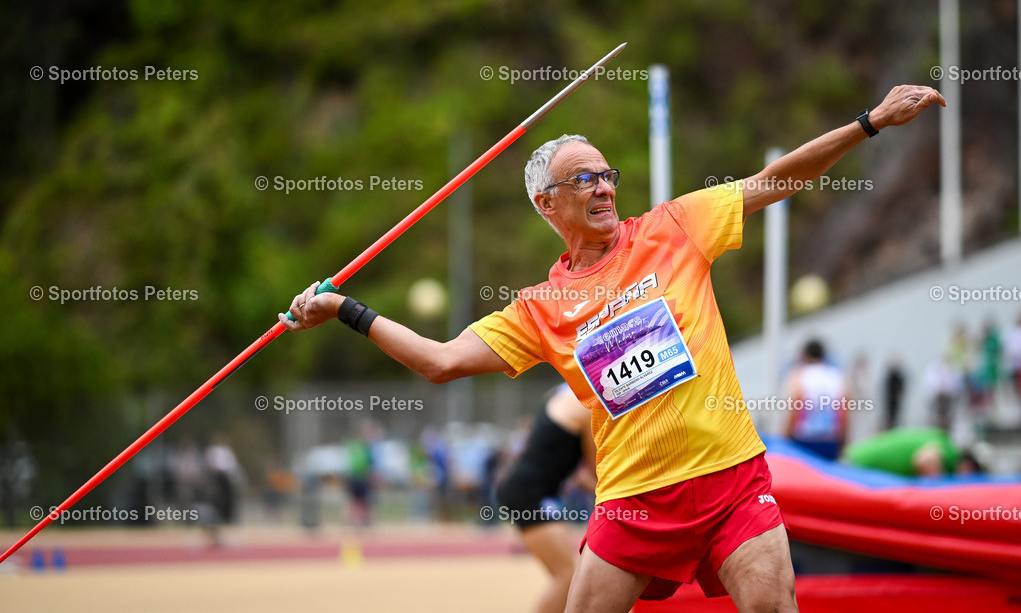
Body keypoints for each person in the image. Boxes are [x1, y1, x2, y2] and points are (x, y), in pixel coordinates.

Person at [281, 84, 944, 612]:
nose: (603, 186)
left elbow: (776, 180)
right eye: (583, 180)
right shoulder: (540, 308)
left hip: (730, 480)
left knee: (773, 603)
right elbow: (441, 360)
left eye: (606, 173)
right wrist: (344, 307)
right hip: (634, 501)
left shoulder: (676, 226)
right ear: (547, 204)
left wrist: (872, 121)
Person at [495, 384, 596, 613]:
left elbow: (581, 474)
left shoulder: (563, 395)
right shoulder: (589, 405)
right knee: (566, 577)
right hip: (529, 493)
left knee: (568, 576)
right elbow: (596, 469)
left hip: (526, 489)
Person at [783, 340, 847, 460]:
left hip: (804, 439)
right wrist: (843, 440)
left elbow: (795, 408)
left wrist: (785, 437)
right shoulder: (836, 376)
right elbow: (844, 412)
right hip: (829, 440)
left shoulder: (800, 376)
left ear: (805, 355)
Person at [843, 427, 984, 477]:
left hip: (854, 459)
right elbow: (924, 460)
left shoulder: (941, 441)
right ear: (969, 465)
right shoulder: (948, 452)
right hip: (856, 468)